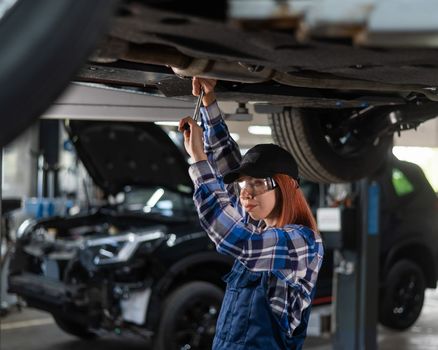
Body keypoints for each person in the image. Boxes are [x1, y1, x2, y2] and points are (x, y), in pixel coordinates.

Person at [178, 77, 324, 350]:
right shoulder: (258, 225)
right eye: (244, 184)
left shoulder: (303, 243)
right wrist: (209, 101)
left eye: (257, 183)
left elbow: (239, 241)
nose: (245, 193)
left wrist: (198, 158)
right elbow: (227, 160)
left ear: (285, 188)